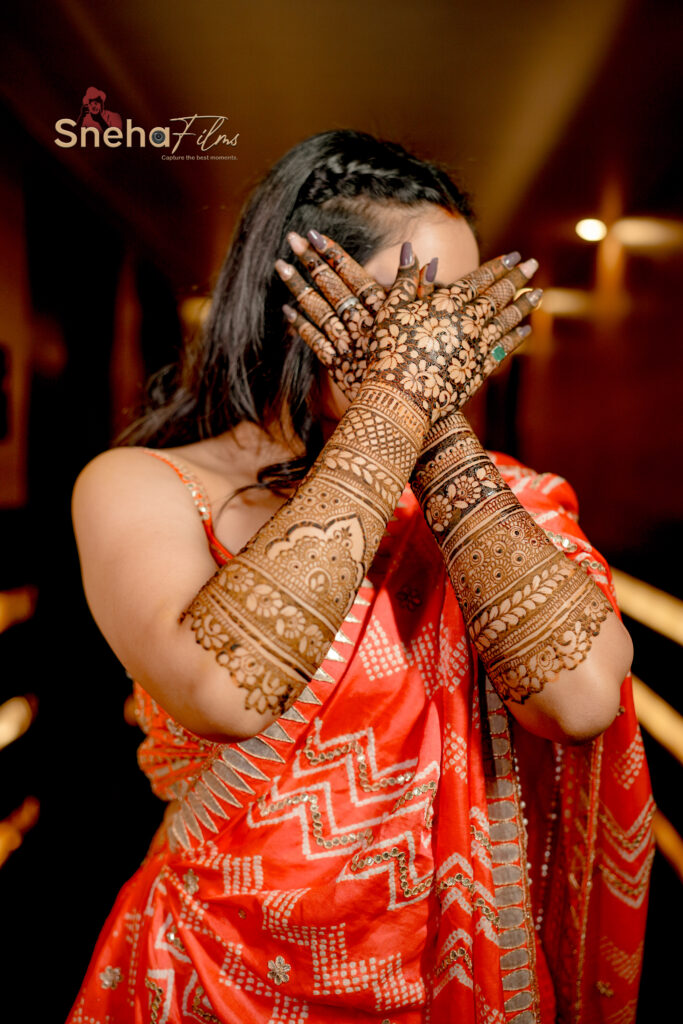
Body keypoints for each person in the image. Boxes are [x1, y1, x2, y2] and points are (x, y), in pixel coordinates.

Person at [67, 130, 653, 1023]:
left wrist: (427, 424)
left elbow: (579, 701)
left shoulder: (505, 498)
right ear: (294, 301)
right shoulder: (143, 486)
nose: (443, 347)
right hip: (209, 973)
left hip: (445, 981)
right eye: (415, 308)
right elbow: (225, 688)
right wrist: (393, 405)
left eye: (461, 318)